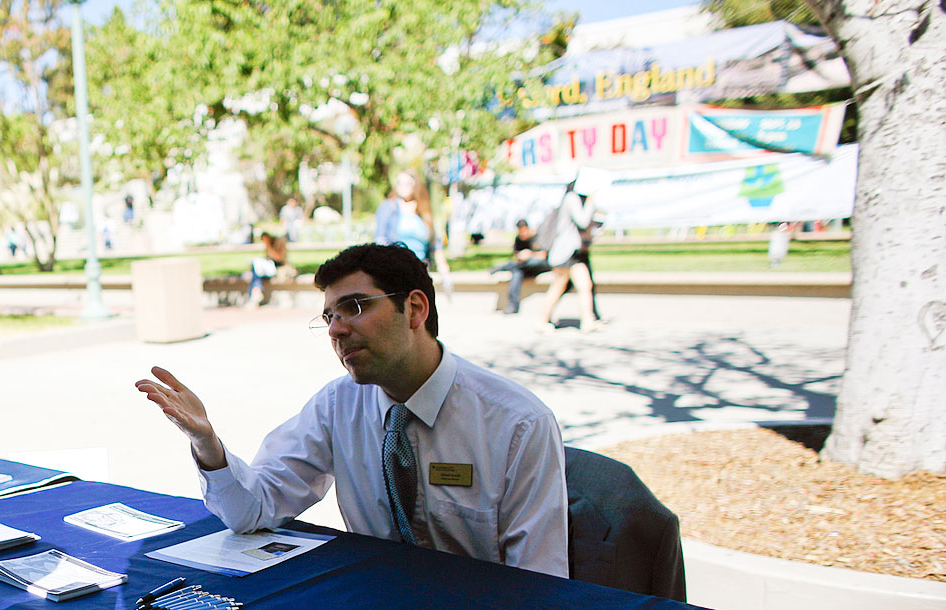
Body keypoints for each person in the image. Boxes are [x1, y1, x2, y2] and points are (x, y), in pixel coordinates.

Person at [137, 242, 569, 577]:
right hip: (373, 607)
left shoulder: (516, 423)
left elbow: (540, 580)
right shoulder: (338, 406)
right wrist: (206, 443)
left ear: (415, 309)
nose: (337, 330)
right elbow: (253, 511)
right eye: (328, 317)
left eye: (355, 307)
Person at [535, 176, 603, 333]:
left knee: (585, 285)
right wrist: (591, 201)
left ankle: (587, 321)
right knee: (559, 286)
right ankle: (541, 321)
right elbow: (582, 220)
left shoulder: (571, 198)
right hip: (566, 252)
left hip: (572, 252)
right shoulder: (571, 198)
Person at [372, 171, 452, 293]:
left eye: (407, 183)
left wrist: (444, 269)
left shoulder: (423, 210)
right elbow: (380, 239)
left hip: (420, 269)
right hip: (396, 269)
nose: (403, 186)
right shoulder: (389, 207)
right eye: (399, 183)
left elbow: (435, 242)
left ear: (415, 185)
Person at [497, 218, 550, 315]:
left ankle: (504, 267)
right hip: (524, 267)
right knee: (516, 273)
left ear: (528, 229)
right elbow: (516, 256)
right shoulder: (518, 239)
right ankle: (512, 305)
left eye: (524, 232)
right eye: (520, 232)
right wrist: (521, 257)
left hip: (539, 265)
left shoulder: (538, 237)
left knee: (529, 262)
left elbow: (544, 255)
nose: (523, 235)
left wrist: (530, 254)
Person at [245, 231, 292, 309]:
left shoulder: (277, 243)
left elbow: (278, 257)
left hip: (278, 267)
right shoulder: (268, 245)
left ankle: (256, 292)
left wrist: (268, 245)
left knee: (256, 271)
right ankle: (256, 291)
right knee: (256, 269)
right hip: (269, 269)